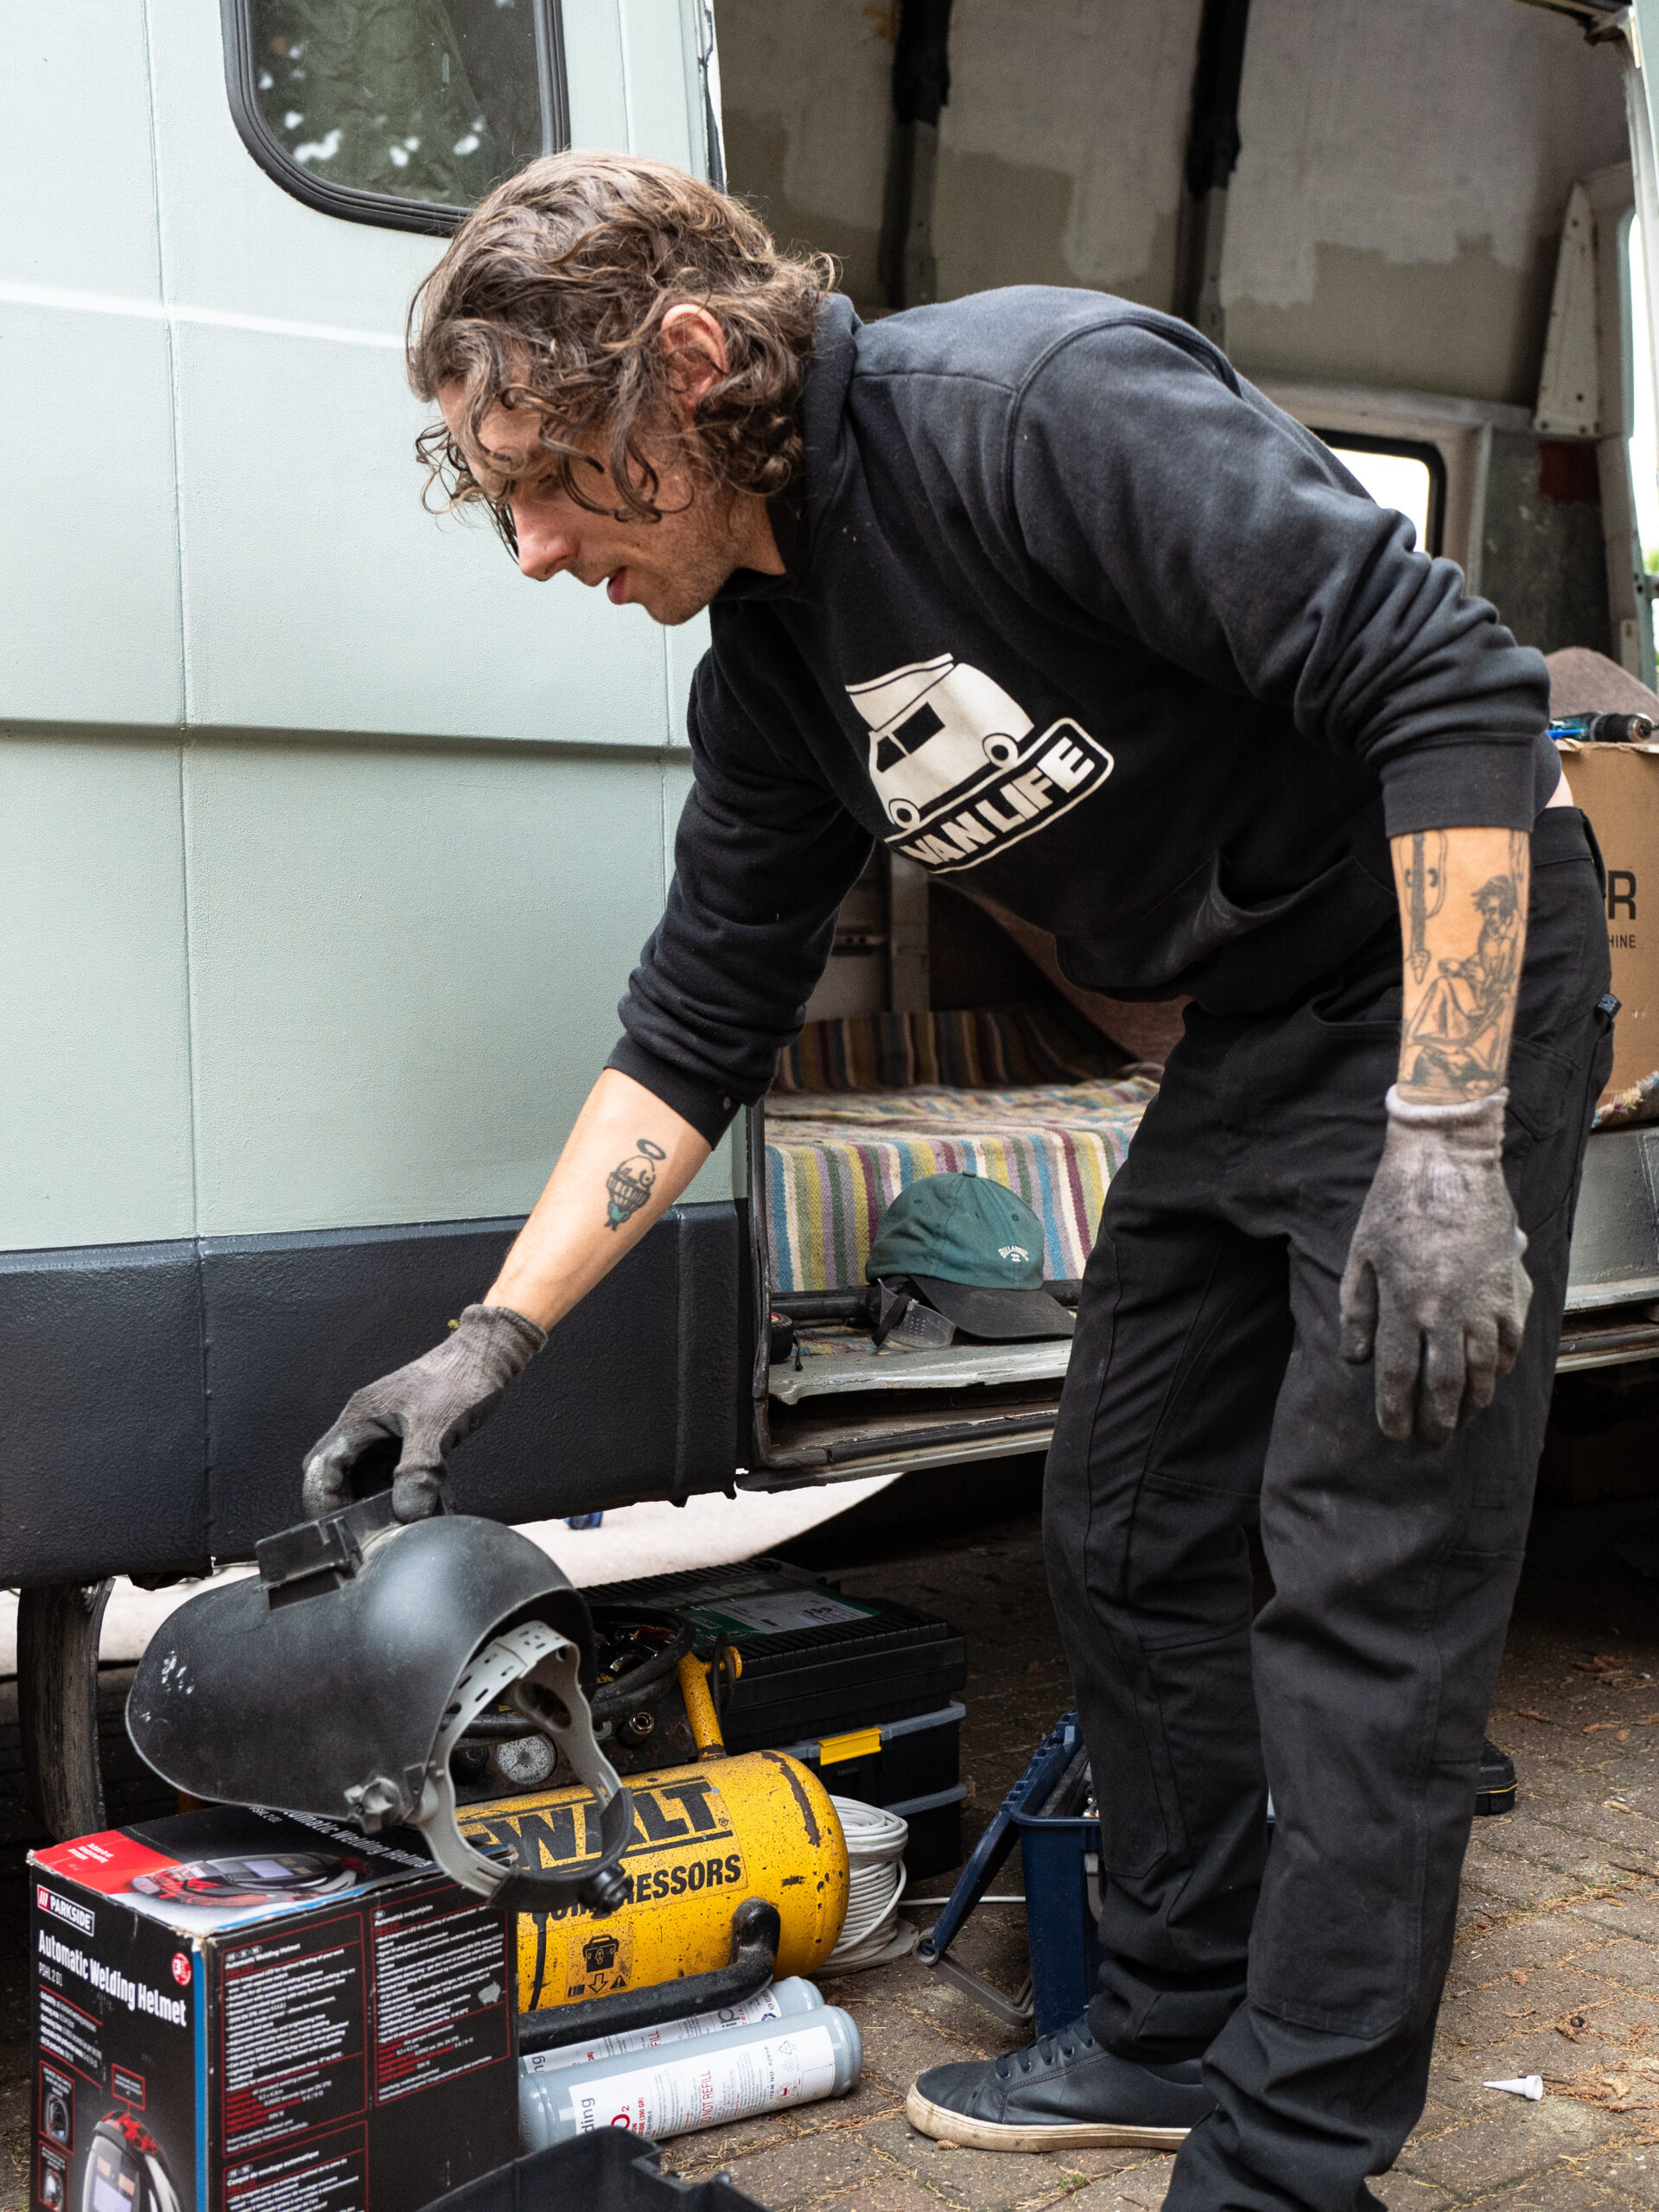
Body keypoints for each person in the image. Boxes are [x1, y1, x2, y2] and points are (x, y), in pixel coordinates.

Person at [302, 153, 1613, 2209]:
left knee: (1368, 1570)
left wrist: (1447, 1143)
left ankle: (1290, 2155)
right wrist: (486, 1343)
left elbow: (1452, 683)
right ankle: (1173, 2020)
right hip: (1265, 1009)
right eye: (503, 503)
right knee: (1128, 1515)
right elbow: (695, 1024)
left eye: (550, 476)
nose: (536, 546)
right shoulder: (773, 672)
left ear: (690, 365)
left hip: (1452, 967)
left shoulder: (1032, 412)